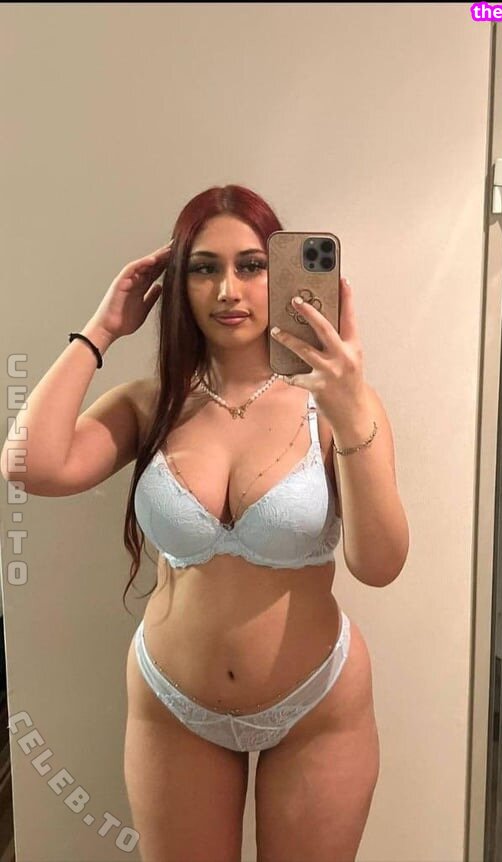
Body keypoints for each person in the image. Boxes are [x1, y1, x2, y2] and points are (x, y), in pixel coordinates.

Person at [2, 184, 409, 861]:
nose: (228, 289)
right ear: (176, 284)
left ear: (282, 274)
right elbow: (27, 465)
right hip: (174, 706)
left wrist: (347, 409)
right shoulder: (149, 404)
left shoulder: (338, 407)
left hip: (317, 704)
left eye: (251, 265)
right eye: (203, 267)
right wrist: (102, 330)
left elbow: (380, 564)